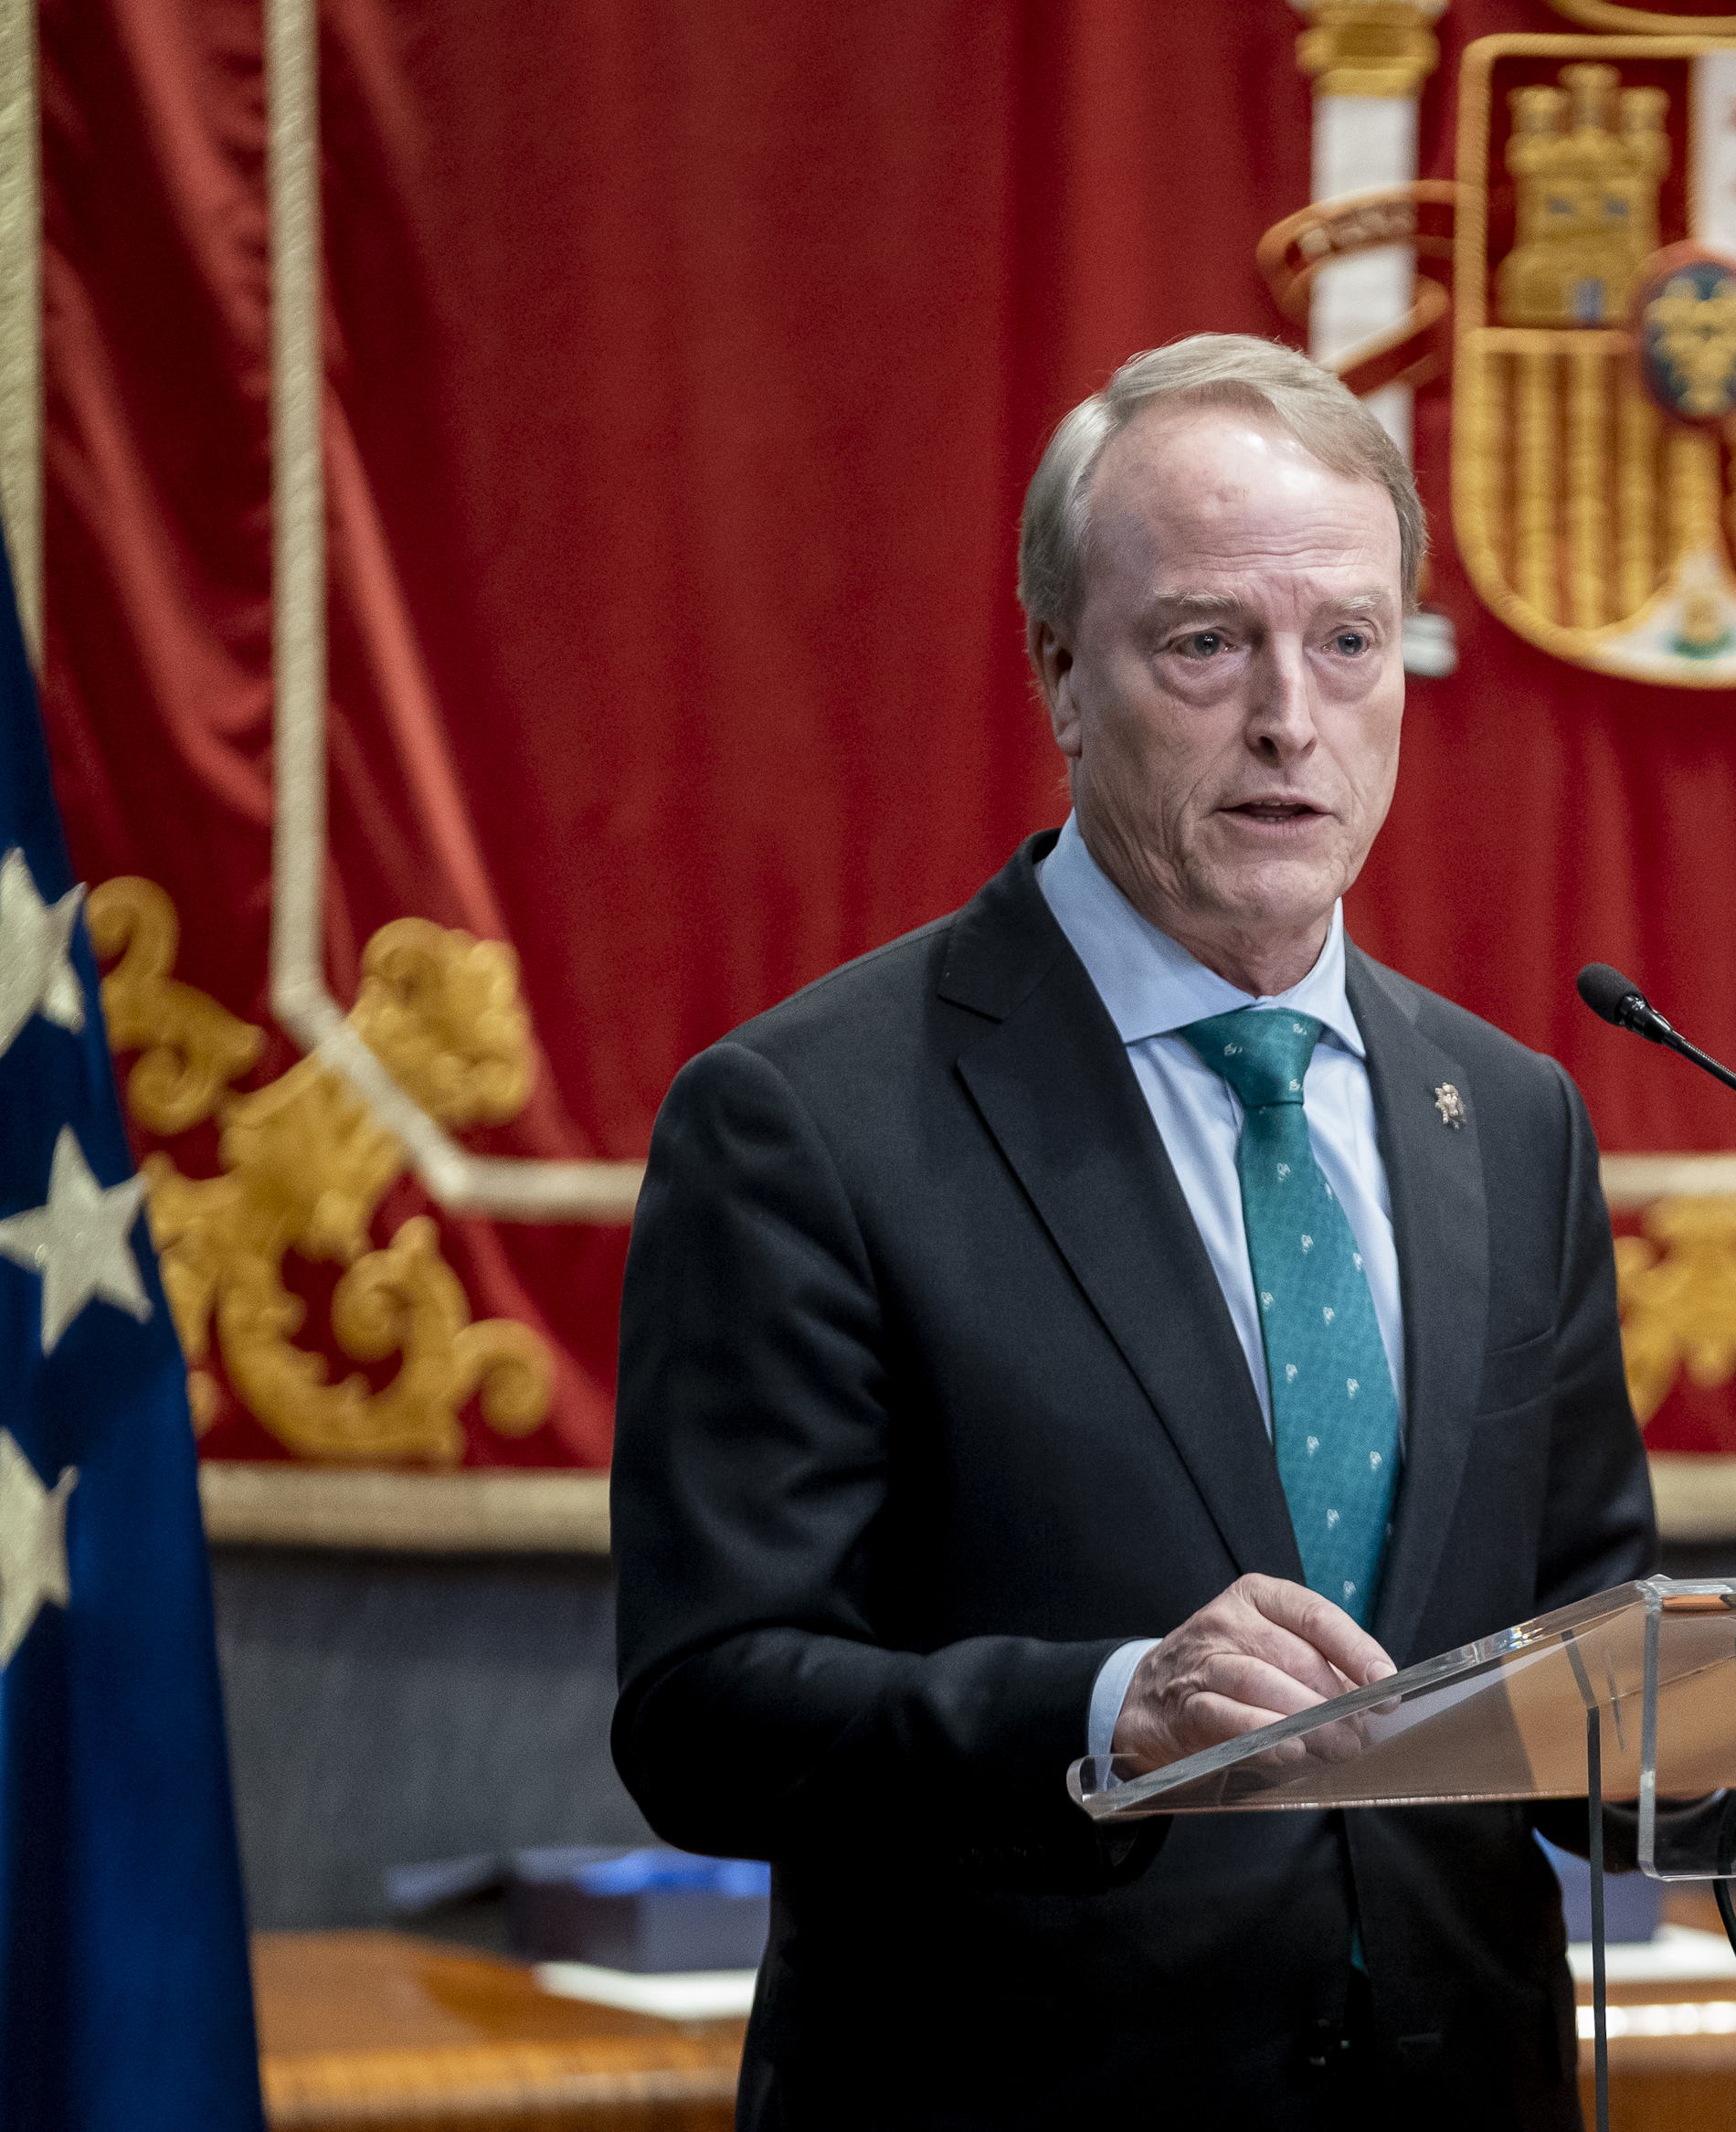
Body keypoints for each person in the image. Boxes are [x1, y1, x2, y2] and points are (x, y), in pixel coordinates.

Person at [611, 334, 1655, 2127]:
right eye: (1205, 643)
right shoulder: (809, 1117)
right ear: (1058, 673)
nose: (1287, 718)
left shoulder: (1510, 1114)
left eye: (1345, 640)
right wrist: (1108, 1714)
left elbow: (1572, 1647)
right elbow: (711, 1711)